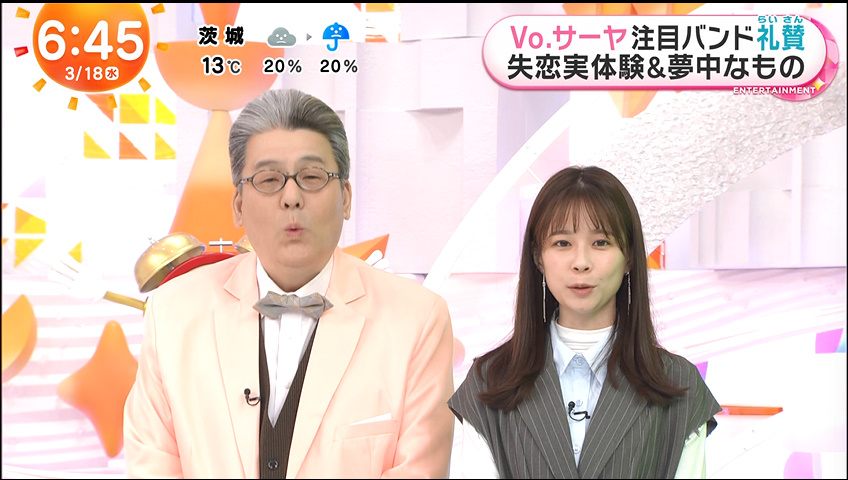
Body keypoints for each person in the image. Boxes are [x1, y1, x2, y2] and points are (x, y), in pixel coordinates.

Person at [124, 89, 455, 478]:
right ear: (238, 205)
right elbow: (153, 464)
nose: (292, 197)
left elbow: (419, 471)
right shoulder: (172, 312)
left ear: (346, 198)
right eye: (269, 179)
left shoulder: (418, 319)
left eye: (312, 177)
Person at [448, 165, 721, 478]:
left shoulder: (679, 384)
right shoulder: (490, 381)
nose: (581, 263)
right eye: (562, 243)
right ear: (538, 257)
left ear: (629, 256)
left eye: (601, 242)